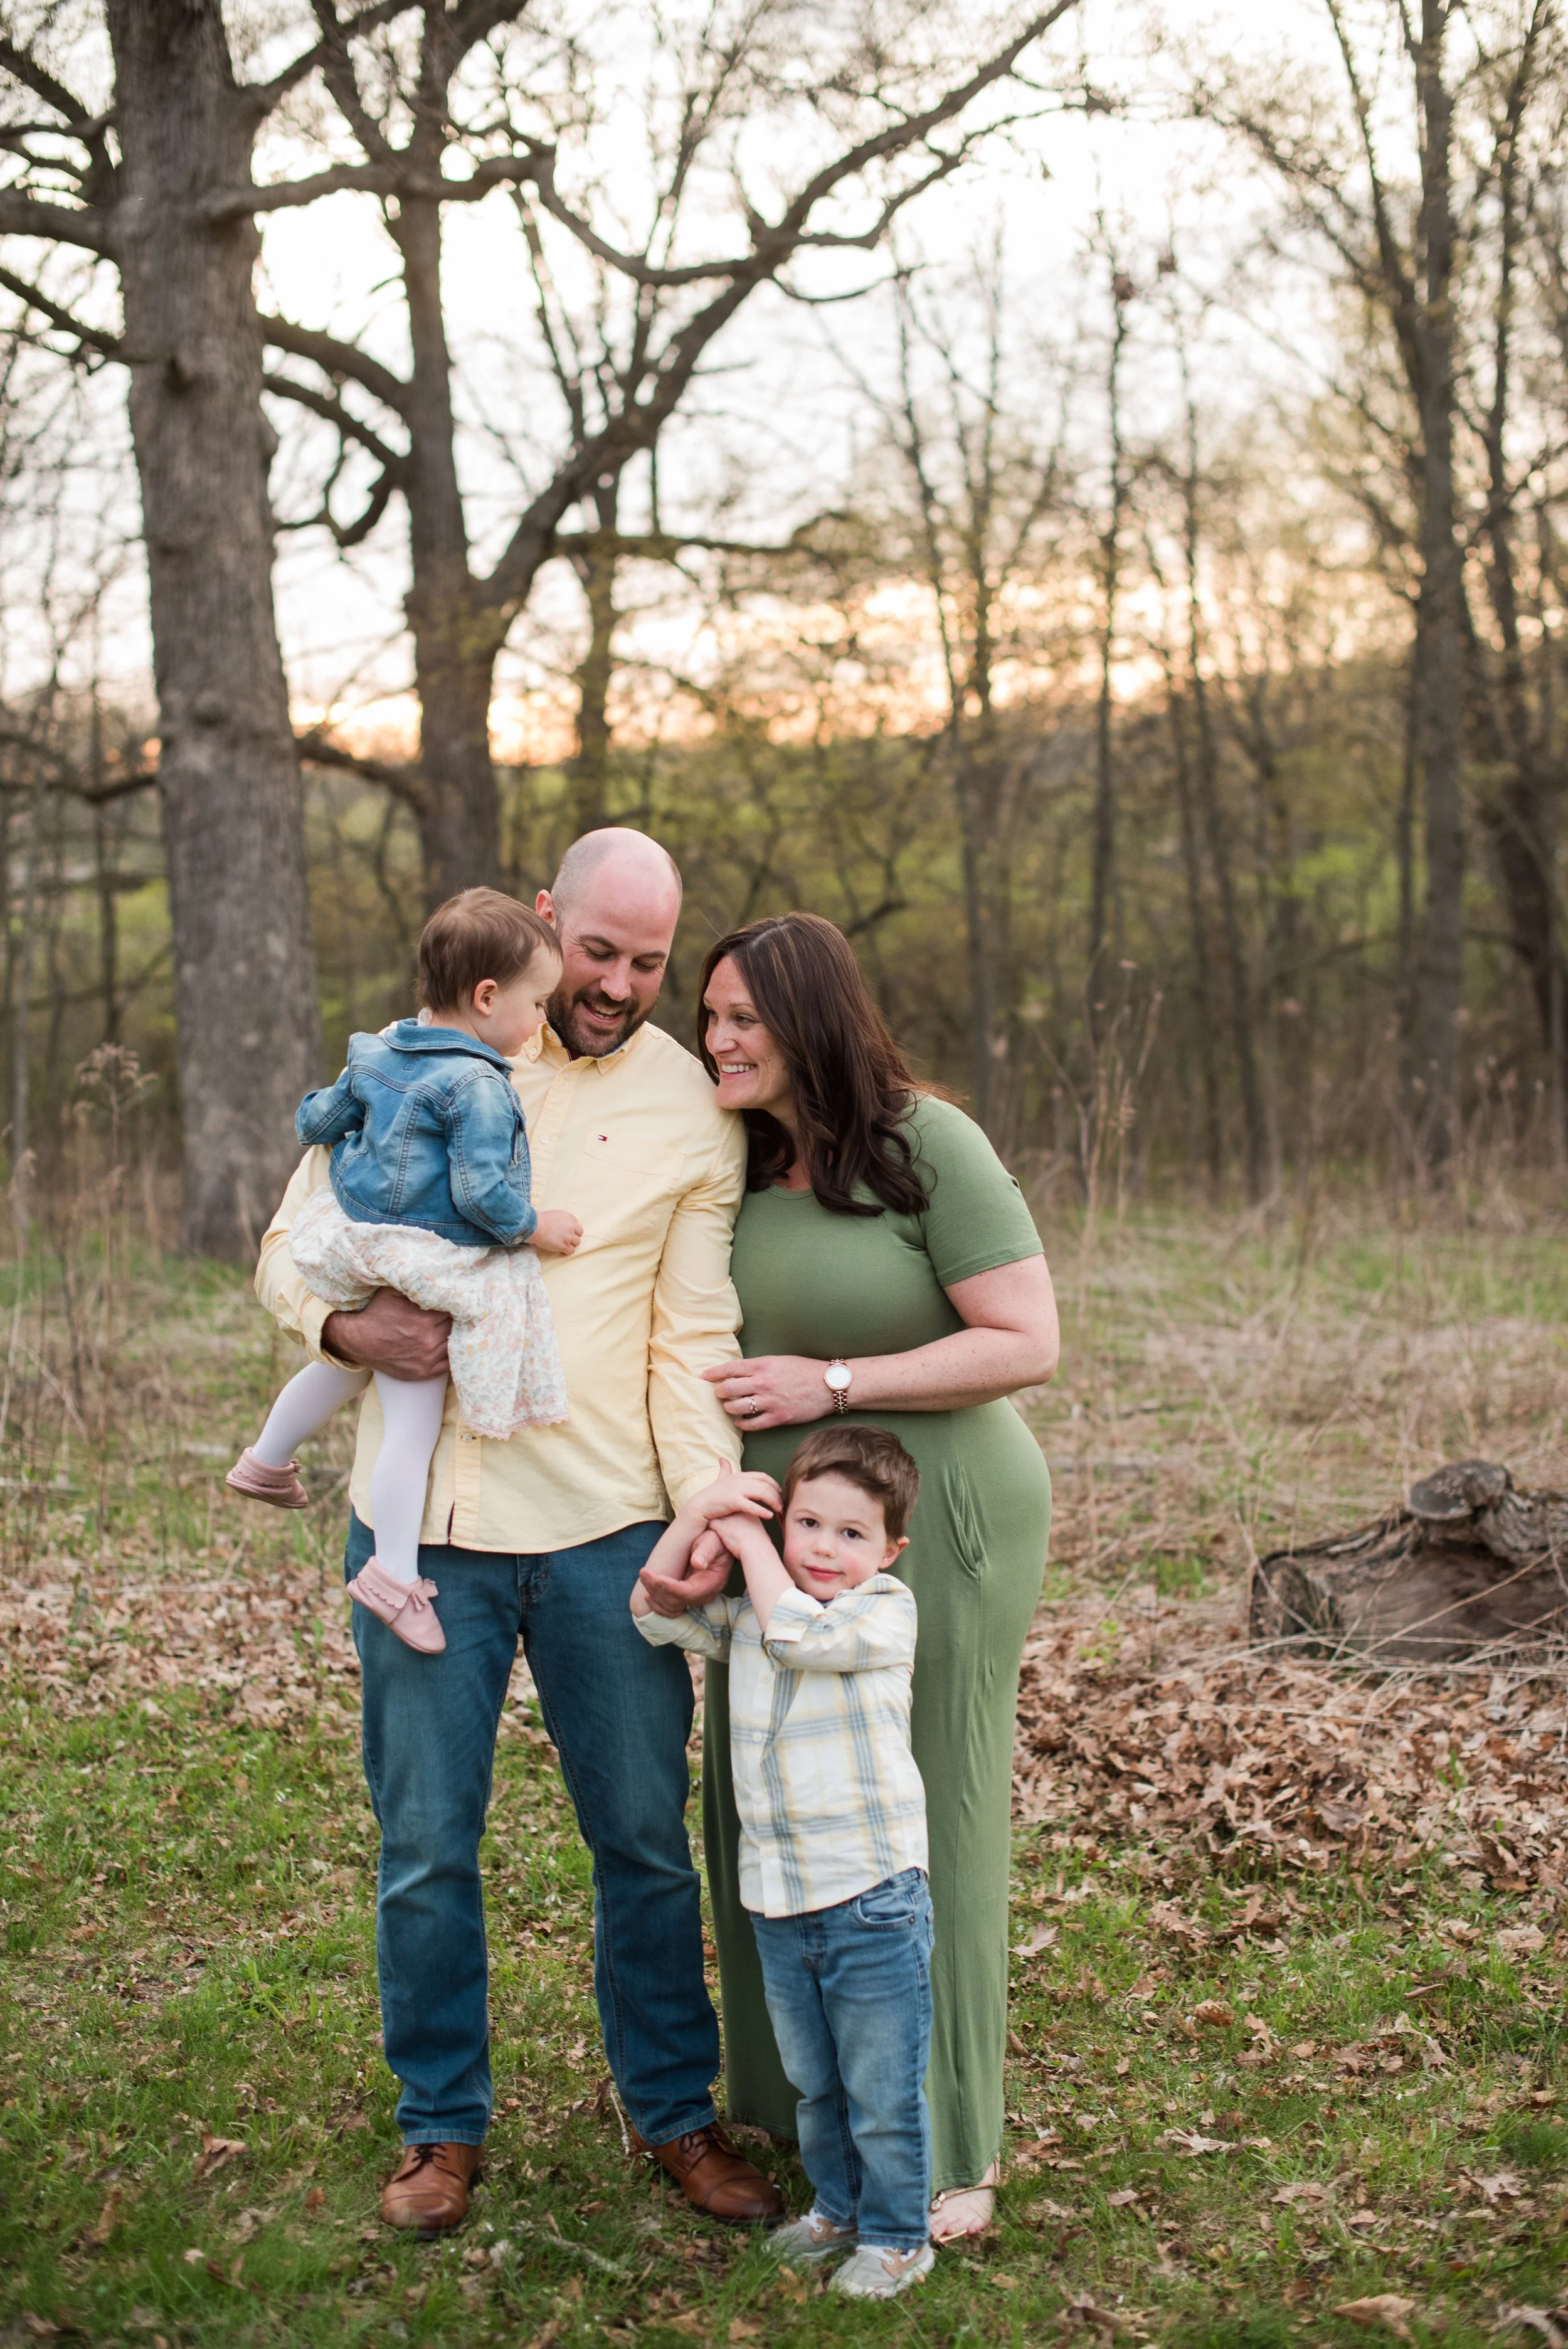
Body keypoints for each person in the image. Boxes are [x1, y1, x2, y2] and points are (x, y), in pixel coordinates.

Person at [253, 831, 783, 2237]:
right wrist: (338, 1326)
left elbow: (691, 1337)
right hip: (425, 1531)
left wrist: (705, 1506)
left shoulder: (693, 1106)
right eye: (596, 951)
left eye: (647, 962)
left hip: (610, 1526)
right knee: (425, 1840)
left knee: (643, 1841)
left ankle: (673, 2111)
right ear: (547, 925)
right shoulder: (427, 1053)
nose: (615, 983)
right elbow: (287, 1241)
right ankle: (440, 2128)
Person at [691, 911, 1059, 2241]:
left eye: (743, 1017)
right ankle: (814, 2118)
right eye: (709, 1015)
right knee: (771, 1789)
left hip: (936, 1519)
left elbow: (1025, 1338)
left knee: (920, 1811)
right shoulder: (733, 1159)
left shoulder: (925, 1144)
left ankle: (948, 2142)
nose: (717, 1039)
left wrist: (831, 1383)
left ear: (810, 1021)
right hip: (779, 1539)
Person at [228, 891, 581, 1654]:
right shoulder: (482, 1085)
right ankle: (393, 1574)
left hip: (350, 1234)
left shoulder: (376, 1051)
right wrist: (536, 1228)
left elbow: (316, 1122)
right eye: (538, 1004)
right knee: (413, 1426)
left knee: (353, 1364)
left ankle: (265, 1457)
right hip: (423, 1254)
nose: (542, 1022)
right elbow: (481, 1194)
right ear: (488, 998)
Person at [633, 1426, 937, 2301]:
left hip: (872, 1895)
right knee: (817, 2082)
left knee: (880, 2088)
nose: (826, 1549)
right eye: (808, 1524)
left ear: (889, 1549)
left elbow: (802, 1636)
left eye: (852, 1533)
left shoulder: (882, 1611)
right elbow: (653, 1611)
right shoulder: (755, 1614)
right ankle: (839, 2210)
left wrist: (752, 1546)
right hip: (781, 1899)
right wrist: (704, 1513)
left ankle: (897, 2236)